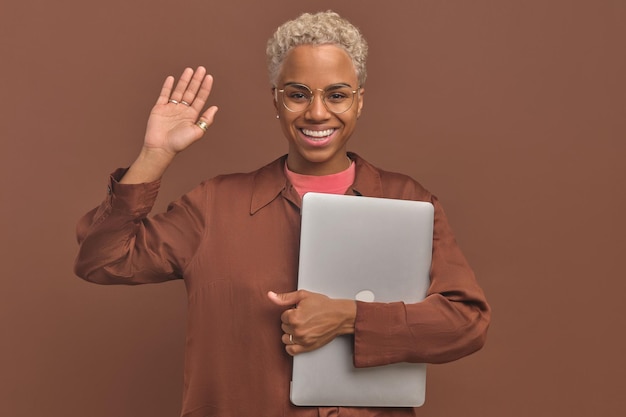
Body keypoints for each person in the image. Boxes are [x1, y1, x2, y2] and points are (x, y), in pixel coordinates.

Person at [75, 10, 490, 417]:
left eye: (337, 94)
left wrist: (351, 317)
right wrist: (155, 155)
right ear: (276, 99)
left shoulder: (407, 202)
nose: (317, 112)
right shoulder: (213, 205)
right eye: (297, 94)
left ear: (359, 101)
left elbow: (466, 322)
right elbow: (103, 260)